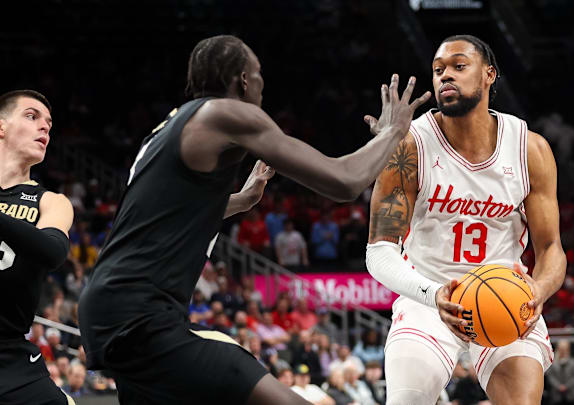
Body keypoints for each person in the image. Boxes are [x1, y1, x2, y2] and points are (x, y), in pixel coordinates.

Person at [78, 34, 430, 404]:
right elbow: (343, 181)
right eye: (259, 74)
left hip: (116, 308)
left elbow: (168, 213)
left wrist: (242, 200)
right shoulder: (226, 113)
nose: (263, 84)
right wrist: (394, 132)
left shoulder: (172, 126)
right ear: (244, 80)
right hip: (141, 314)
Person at [365, 34, 565, 405]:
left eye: (459, 66)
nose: (445, 77)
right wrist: (432, 293)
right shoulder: (409, 144)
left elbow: (551, 247)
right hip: (428, 297)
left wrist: (539, 289)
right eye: (438, 70)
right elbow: (378, 252)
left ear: (489, 75)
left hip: (504, 294)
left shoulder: (529, 148)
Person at [0, 90, 75, 404]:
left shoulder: (51, 202)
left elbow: (52, 251)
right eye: (32, 116)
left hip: (9, 359)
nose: (45, 127)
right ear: (1, 126)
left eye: (49, 122)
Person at [546, 340, 574, 405]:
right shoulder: (553, 363)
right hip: (556, 395)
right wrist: (559, 386)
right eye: (561, 349)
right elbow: (550, 376)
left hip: (571, 395)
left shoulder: (573, 362)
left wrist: (566, 386)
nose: (563, 351)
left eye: (565, 349)